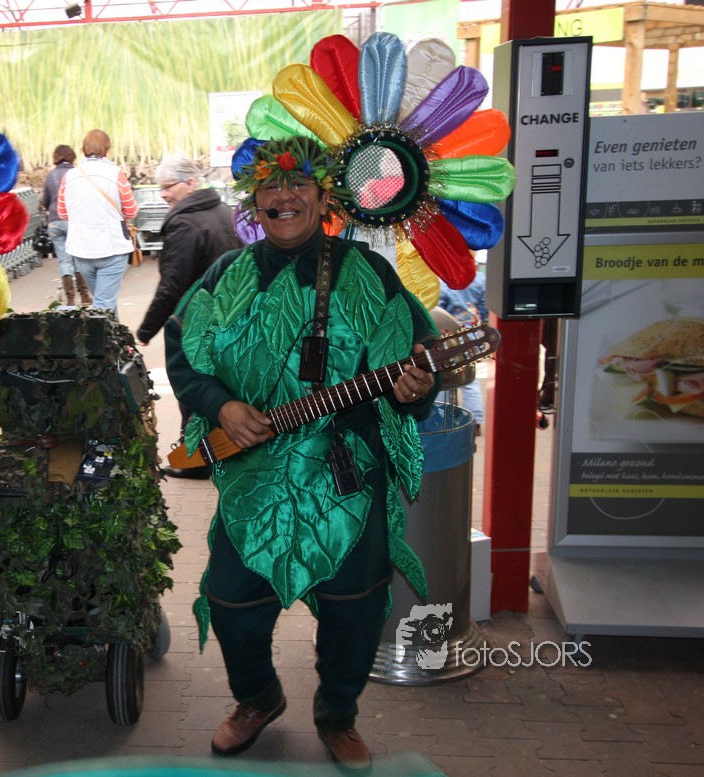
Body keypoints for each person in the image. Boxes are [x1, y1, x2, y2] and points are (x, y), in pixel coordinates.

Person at [165, 137, 439, 773]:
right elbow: (182, 355)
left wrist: (417, 386)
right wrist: (221, 406)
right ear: (254, 201)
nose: (284, 197)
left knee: (355, 605)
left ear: (323, 197)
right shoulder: (225, 276)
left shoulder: (367, 272)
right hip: (254, 469)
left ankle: (338, 714)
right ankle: (258, 699)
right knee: (231, 601)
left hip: (344, 469)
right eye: (270, 186)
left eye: (298, 185)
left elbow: (418, 352)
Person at [137, 155, 241, 480]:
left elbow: (172, 285)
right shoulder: (221, 209)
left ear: (191, 183)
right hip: (228, 315)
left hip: (197, 321)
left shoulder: (185, 224)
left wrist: (145, 330)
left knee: (193, 387)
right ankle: (212, 453)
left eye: (168, 186)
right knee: (219, 385)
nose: (163, 194)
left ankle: (196, 458)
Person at [56, 129, 138, 315]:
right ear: (107, 149)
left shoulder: (69, 177)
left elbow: (62, 213)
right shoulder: (116, 175)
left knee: (104, 302)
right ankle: (105, 335)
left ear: (83, 149)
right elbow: (131, 210)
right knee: (104, 305)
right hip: (112, 250)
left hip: (81, 251)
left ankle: (117, 334)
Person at [436, 271, 487, 433]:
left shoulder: (442, 280)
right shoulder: (479, 278)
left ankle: (442, 417)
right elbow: (484, 308)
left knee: (444, 379)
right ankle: (476, 420)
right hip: (472, 336)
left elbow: (437, 311)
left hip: (449, 338)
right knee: (470, 380)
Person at [40, 144, 91, 306]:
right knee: (78, 258)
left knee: (64, 260)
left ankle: (70, 299)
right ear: (72, 156)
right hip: (73, 221)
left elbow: (45, 200)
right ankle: (84, 295)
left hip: (55, 222)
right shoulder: (77, 174)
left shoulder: (50, 176)